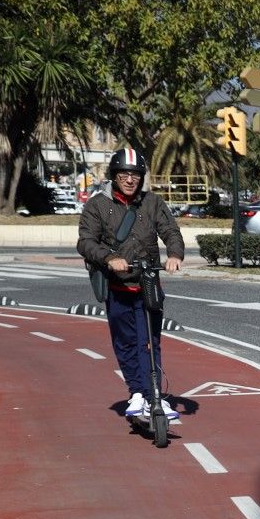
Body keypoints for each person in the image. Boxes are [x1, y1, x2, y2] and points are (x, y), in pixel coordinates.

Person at [77, 145, 185, 425]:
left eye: (135, 174)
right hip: (117, 288)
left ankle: (154, 395)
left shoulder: (152, 203)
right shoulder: (98, 205)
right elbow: (86, 241)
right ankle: (137, 391)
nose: (130, 179)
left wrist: (174, 254)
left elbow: (170, 230)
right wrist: (109, 258)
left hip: (148, 285)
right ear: (114, 175)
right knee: (125, 343)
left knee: (149, 342)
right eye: (124, 174)